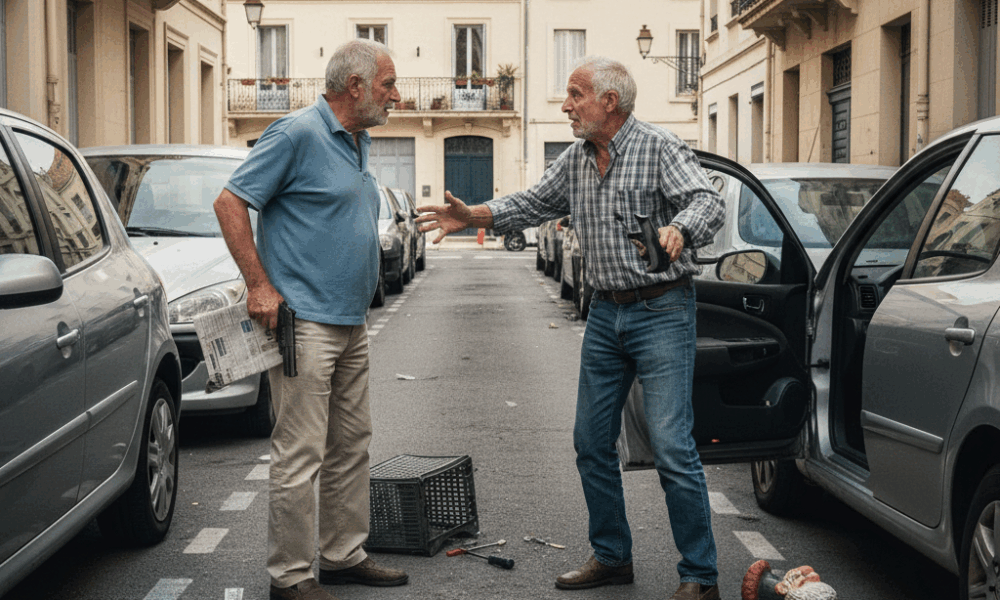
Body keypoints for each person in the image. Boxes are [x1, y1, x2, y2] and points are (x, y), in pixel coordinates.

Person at [416, 57, 725, 600]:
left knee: (673, 446)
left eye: (576, 94)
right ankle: (612, 556)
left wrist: (680, 227)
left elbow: (707, 199)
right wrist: (473, 217)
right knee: (590, 442)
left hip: (663, 311)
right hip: (605, 313)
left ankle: (699, 575)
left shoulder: (658, 147)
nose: (566, 105)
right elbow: (531, 203)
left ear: (610, 101)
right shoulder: (577, 160)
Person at [213, 39, 407, 600]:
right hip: (304, 322)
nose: (395, 95)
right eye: (388, 85)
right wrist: (258, 285)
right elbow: (230, 202)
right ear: (356, 87)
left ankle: (342, 555)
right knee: (300, 453)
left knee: (351, 444)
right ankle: (291, 578)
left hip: (350, 320)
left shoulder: (357, 138)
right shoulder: (296, 133)